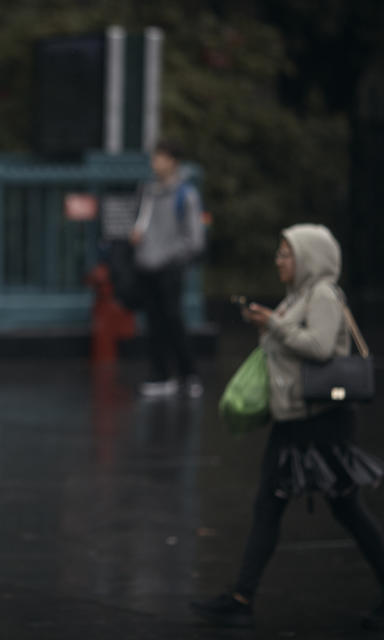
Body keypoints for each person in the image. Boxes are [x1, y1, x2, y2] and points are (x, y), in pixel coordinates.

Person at [190, 224, 384, 630]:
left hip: (322, 422)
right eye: (279, 253)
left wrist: (274, 326)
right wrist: (271, 323)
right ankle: (241, 597)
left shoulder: (324, 295)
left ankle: (241, 597)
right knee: (269, 507)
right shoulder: (298, 296)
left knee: (347, 508)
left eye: (286, 253)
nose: (279, 260)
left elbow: (319, 346)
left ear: (309, 258)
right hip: (293, 420)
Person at [130, 139, 205, 398]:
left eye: (160, 157)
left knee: (173, 320)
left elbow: (195, 239)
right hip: (147, 266)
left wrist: (172, 256)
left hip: (170, 267)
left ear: (173, 161)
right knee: (153, 322)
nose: (155, 163)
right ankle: (160, 375)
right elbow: (140, 222)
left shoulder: (186, 194)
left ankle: (189, 374)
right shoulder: (147, 191)